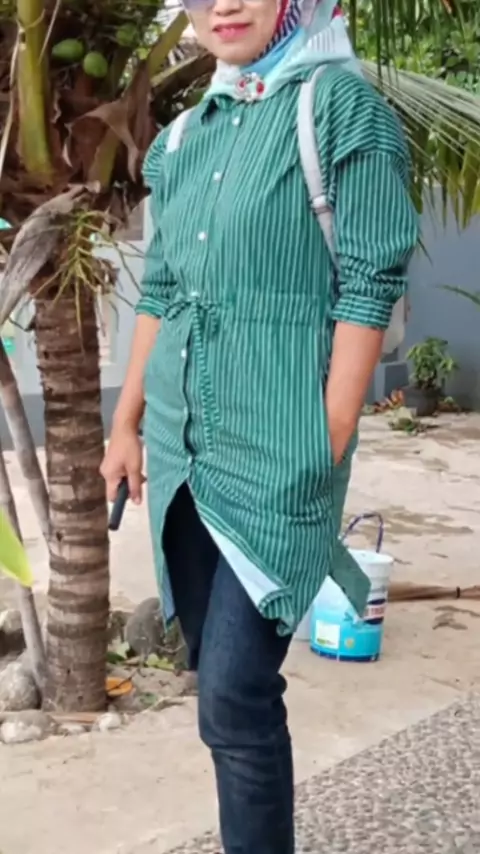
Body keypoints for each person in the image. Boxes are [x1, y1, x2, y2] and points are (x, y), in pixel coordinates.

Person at [100, 0, 419, 849]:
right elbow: (162, 290)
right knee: (218, 684)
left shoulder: (339, 109)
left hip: (281, 451)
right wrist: (125, 424)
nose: (225, 6)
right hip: (182, 448)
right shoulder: (181, 139)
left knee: (237, 692)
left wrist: (329, 440)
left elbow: (369, 281)